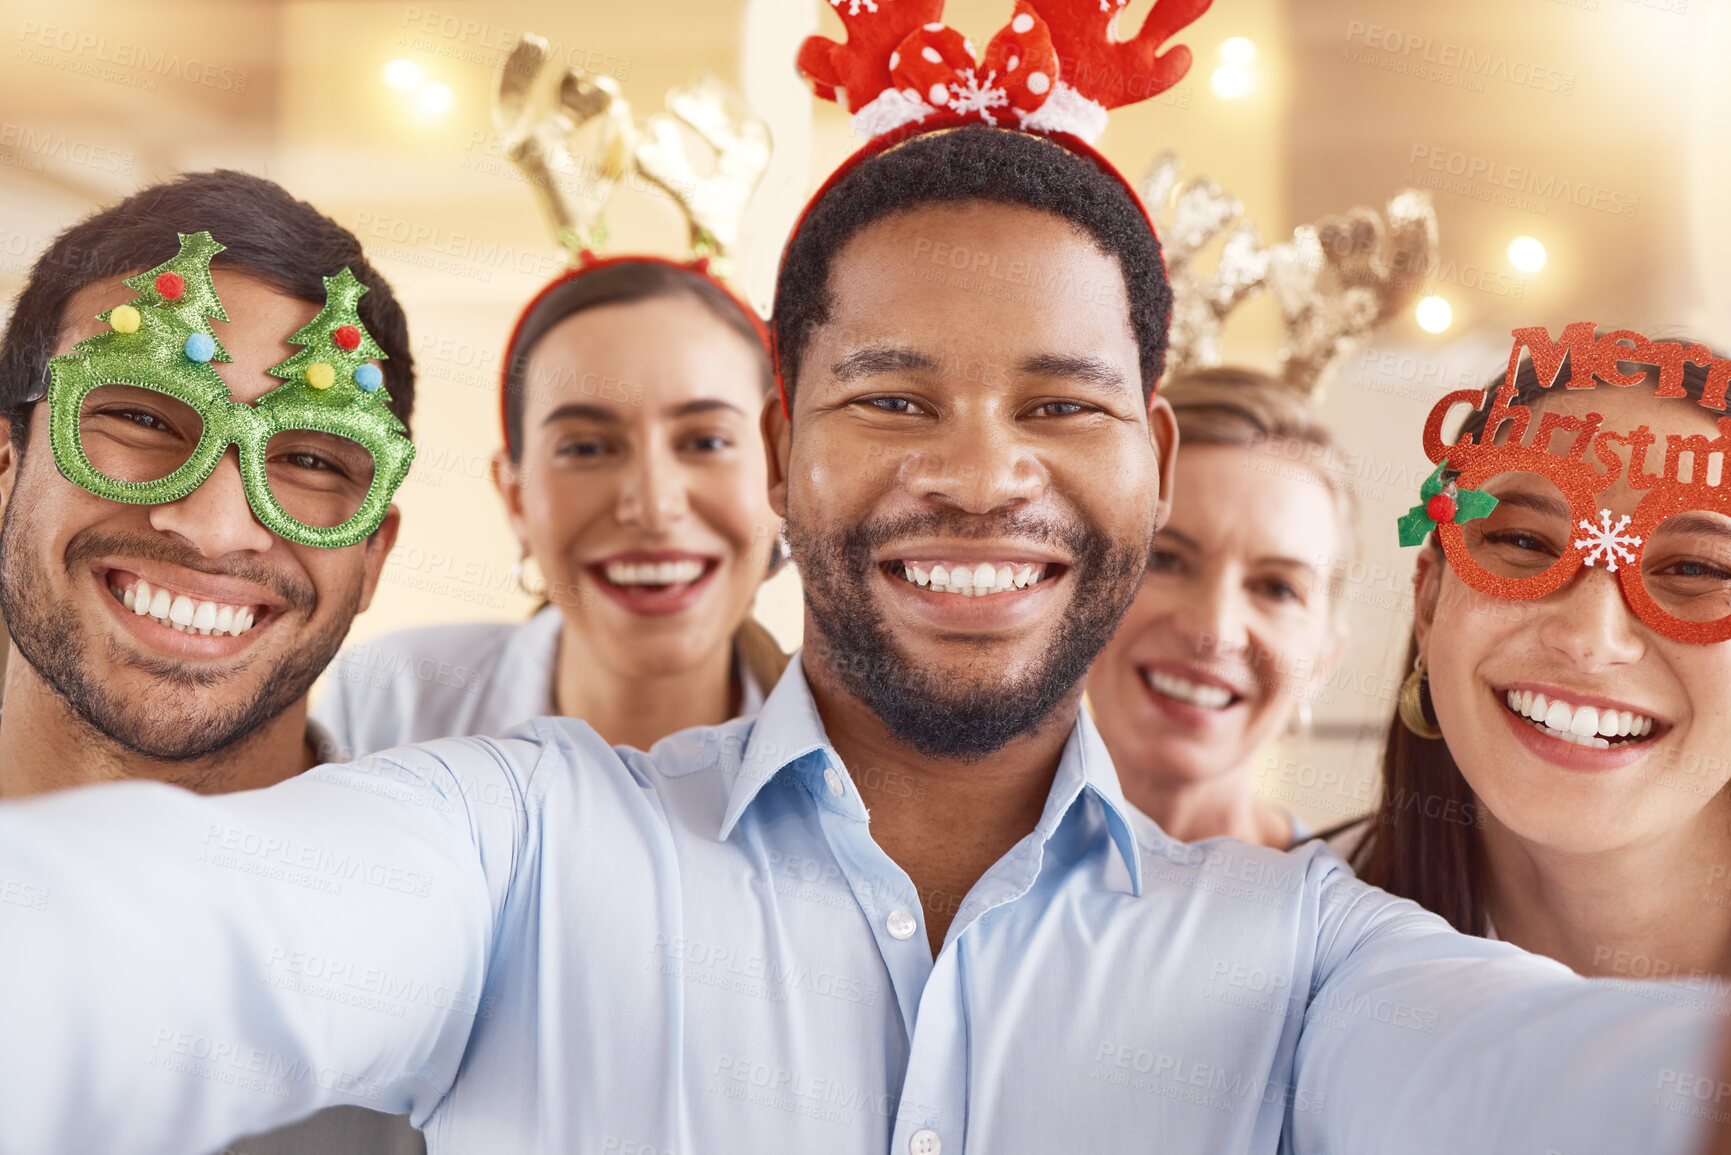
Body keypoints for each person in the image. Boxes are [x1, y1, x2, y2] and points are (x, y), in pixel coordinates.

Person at [0, 122, 1726, 1155]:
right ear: (781, 437)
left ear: (1152, 458)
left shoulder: (1310, 955)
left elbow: (1580, 1081)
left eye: (1060, 403)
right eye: (892, 398)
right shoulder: (514, 834)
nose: (980, 475)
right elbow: (161, 940)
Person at [0, 171, 425, 1155]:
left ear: (376, 556)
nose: (213, 526)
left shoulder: (475, 993)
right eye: (143, 418)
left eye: (314, 461)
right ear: (9, 464)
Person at [1339, 335, 1731, 990]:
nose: (1589, 637)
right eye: (1522, 540)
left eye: (1695, 567)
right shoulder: (1277, 957)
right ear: (1430, 601)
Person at [314, 259, 786, 758]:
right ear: (516, 499)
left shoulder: (856, 752)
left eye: (707, 442)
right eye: (585, 449)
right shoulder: (392, 705)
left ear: (782, 473)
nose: (653, 506)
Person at [1088, 367, 1352, 848]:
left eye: (1277, 589)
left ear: (1322, 660)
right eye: (1165, 559)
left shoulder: (1351, 918)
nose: (1214, 628)